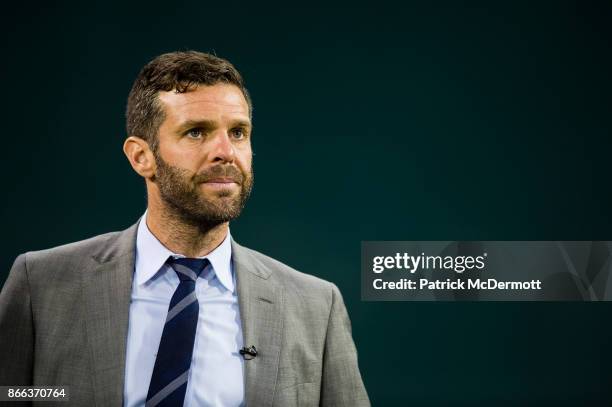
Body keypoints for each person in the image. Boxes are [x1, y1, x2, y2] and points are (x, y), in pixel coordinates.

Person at [0, 51, 369, 406]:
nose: (226, 151)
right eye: (196, 132)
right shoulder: (41, 285)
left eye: (239, 132)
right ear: (141, 157)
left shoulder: (316, 306)